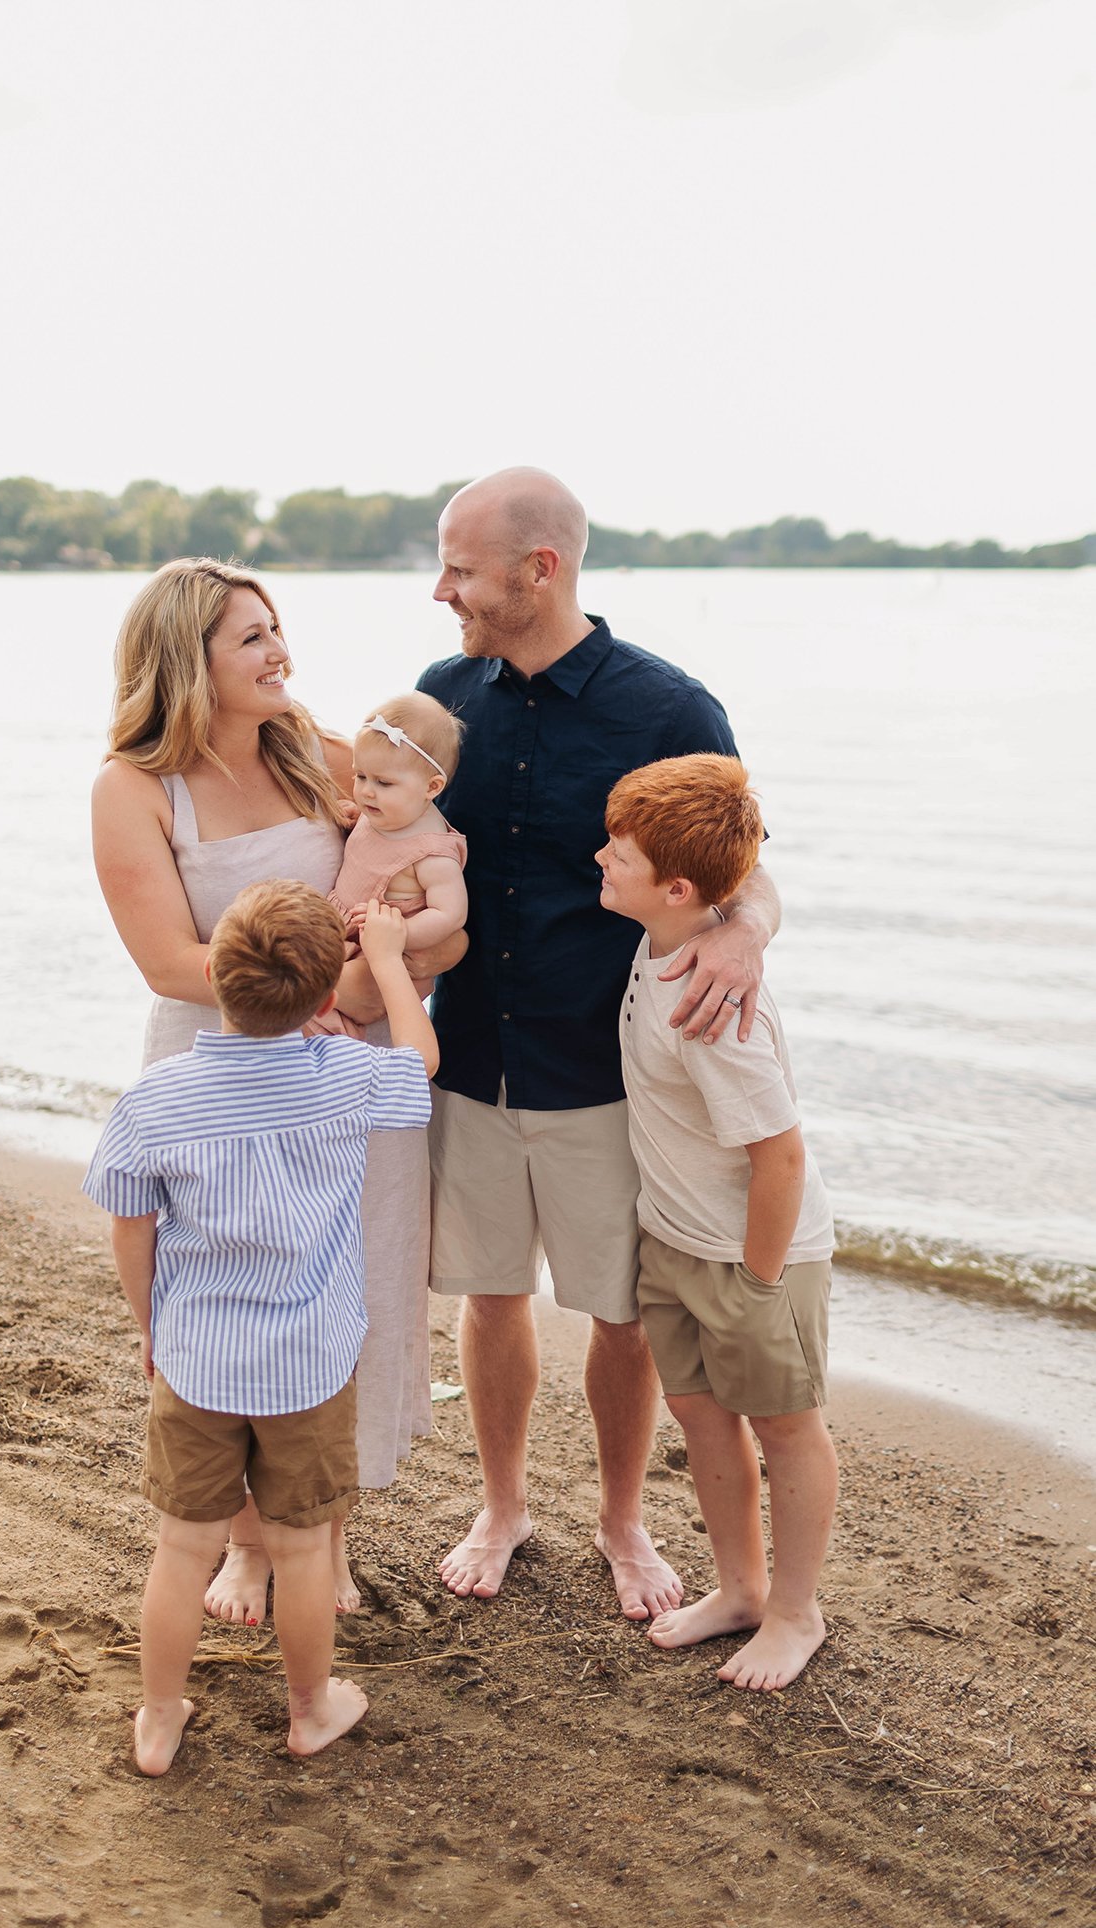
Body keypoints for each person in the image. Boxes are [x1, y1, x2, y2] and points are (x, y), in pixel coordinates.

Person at [417, 468, 782, 1614]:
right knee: (487, 1296)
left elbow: (748, 865)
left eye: (462, 569)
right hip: (469, 1056)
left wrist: (746, 936)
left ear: (542, 569)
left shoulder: (669, 709)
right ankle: (503, 1504)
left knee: (619, 1312)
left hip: (609, 1071)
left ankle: (622, 1521)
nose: (442, 591)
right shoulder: (439, 695)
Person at [92, 558, 462, 1624]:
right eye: (250, 637)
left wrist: (425, 946)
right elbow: (166, 958)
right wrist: (306, 984)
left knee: (348, 1292)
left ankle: (320, 1530)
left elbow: (420, 851)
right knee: (227, 1292)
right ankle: (246, 1544)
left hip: (339, 1073)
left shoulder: (322, 751)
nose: (278, 651)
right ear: (185, 658)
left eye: (276, 626)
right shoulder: (132, 787)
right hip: (219, 1074)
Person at [84, 879, 439, 1770]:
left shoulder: (156, 1098)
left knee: (182, 1548)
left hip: (196, 1360)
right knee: (302, 1548)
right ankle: (310, 1708)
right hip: (309, 1364)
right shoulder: (344, 1077)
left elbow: (132, 1227)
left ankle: (159, 1716)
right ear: (325, 1000)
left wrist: (152, 1329)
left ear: (215, 974)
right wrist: (390, 965)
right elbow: (420, 1063)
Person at [597, 755, 837, 1689]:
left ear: (678, 887)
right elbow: (745, 881)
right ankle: (740, 1590)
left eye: (616, 853)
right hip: (674, 1243)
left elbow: (779, 1154)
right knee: (699, 1418)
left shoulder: (715, 1011)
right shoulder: (662, 937)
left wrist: (759, 1282)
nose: (599, 861)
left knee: (786, 1430)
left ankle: (793, 1611)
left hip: (755, 1261)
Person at [326, 693, 468, 1022]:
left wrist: (400, 933)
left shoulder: (432, 854)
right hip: (341, 927)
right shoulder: (386, 811)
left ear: (432, 787)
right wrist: (355, 815)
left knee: (332, 1020)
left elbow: (450, 914)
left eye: (383, 782)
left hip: (380, 950)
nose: (366, 791)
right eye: (360, 777)